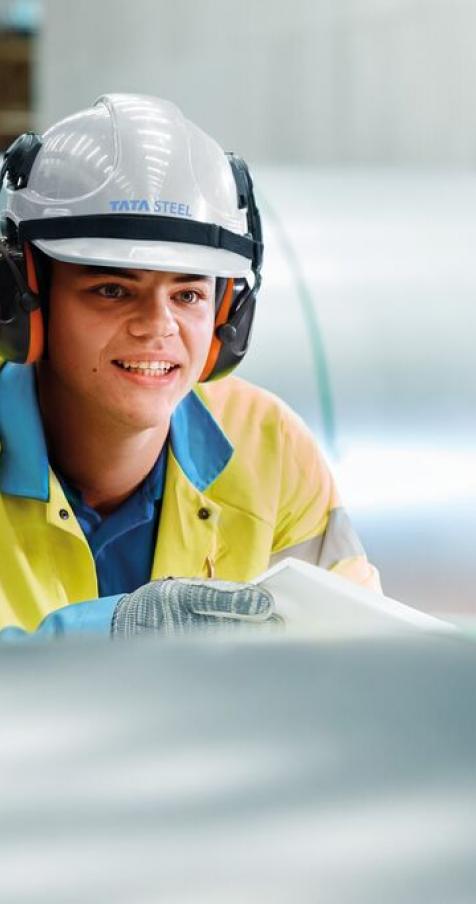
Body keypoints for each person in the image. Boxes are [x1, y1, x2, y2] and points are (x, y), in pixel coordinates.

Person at [0, 94, 379, 639]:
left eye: (188, 296)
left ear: (228, 312)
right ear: (28, 300)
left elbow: (361, 650)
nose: (158, 327)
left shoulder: (270, 450)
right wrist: (111, 634)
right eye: (112, 290)